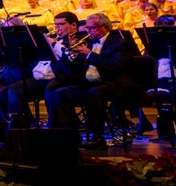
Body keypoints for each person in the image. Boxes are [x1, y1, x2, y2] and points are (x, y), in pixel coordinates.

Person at [45, 12, 142, 150]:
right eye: (87, 28)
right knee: (61, 93)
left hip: (113, 83)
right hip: (91, 83)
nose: (88, 31)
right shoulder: (89, 42)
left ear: (104, 27)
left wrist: (89, 54)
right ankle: (72, 136)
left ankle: (97, 137)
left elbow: (114, 67)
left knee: (95, 93)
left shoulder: (120, 44)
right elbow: (77, 66)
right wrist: (73, 56)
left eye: (92, 28)